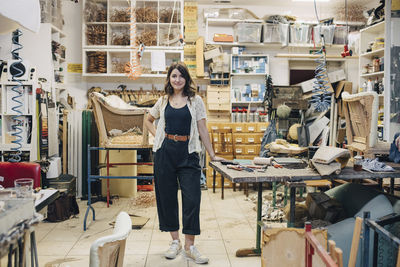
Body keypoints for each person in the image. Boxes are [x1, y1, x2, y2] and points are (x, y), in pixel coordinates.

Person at [144, 62, 224, 264]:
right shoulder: (163, 101)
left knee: (192, 199)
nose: (177, 79)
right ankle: (175, 241)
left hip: (188, 154)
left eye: (181, 76)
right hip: (165, 154)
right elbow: (148, 120)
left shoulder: (196, 101)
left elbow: (203, 130)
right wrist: (158, 137)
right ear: (169, 79)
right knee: (167, 199)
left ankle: (190, 246)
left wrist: (212, 155)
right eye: (173, 76)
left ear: (186, 79)